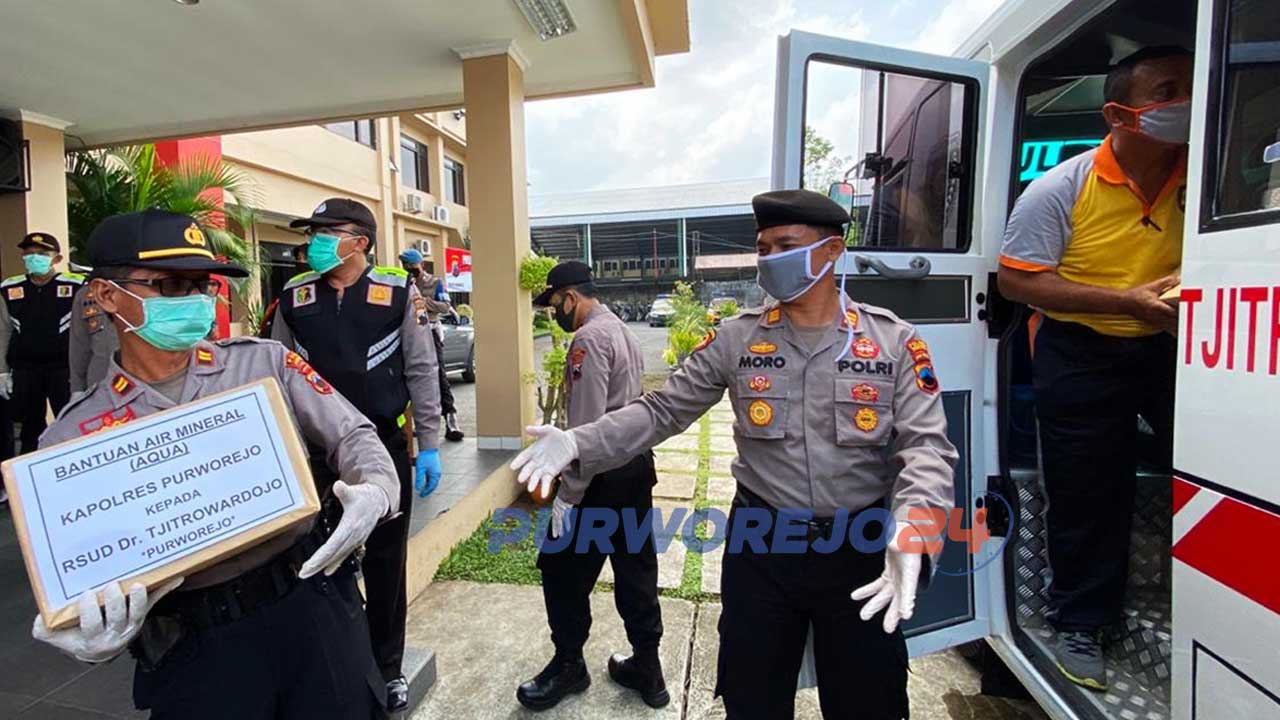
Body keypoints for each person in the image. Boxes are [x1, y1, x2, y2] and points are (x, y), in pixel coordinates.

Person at [512, 190, 956, 720]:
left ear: (833, 251)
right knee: (752, 698)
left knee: (869, 701)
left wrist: (916, 528)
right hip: (762, 548)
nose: (769, 259)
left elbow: (926, 446)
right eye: (763, 247)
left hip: (858, 550)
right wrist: (578, 441)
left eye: (785, 245)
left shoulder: (892, 342)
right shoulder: (737, 338)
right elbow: (660, 411)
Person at [31, 209, 399, 719]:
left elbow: (354, 434)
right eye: (172, 285)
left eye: (203, 284)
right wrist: (83, 627)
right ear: (108, 296)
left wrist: (377, 489)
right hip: (198, 647)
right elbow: (78, 566)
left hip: (311, 608)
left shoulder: (263, 363)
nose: (196, 300)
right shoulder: (73, 437)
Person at [997, 46, 1191, 691]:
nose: (1188, 101)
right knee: (1087, 489)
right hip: (1081, 351)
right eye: (1170, 90)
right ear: (1120, 113)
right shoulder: (1060, 188)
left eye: (1196, 85)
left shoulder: (1210, 179)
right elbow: (1020, 283)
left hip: (1177, 347)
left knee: (1211, 475)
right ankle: (1081, 623)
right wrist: (1125, 302)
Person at [271, 198, 442, 712]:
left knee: (387, 559)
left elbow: (421, 368)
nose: (316, 242)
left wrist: (429, 443)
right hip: (314, 451)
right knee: (311, 555)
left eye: (329, 232)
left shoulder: (395, 294)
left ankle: (387, 666)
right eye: (313, 233)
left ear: (361, 241)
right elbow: (275, 375)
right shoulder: (295, 297)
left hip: (382, 449)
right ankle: (328, 656)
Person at [515, 261, 665, 711]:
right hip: (636, 469)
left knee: (561, 573)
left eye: (553, 306)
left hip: (600, 479)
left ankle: (569, 666)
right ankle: (648, 668)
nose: (552, 316)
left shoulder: (588, 339)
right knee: (636, 572)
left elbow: (585, 428)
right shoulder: (621, 329)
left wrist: (568, 494)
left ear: (571, 297)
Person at [2, 232, 85, 453]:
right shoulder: (9, 289)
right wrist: (2, 372)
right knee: (28, 429)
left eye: (42, 253)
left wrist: (85, 374)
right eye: (29, 253)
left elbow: (87, 332)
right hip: (25, 371)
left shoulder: (77, 285)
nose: (34, 257)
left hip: (63, 370)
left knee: (70, 424)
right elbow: (3, 332)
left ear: (56, 259)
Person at [398, 247, 464, 443]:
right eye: (405, 265)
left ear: (422, 265)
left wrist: (420, 301)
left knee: (439, 376)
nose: (409, 268)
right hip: (406, 332)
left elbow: (445, 306)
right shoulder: (400, 282)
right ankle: (409, 426)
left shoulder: (435, 283)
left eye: (412, 265)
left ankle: (451, 419)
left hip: (430, 331)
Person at [69, 281, 120, 393]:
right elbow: (79, 348)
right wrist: (77, 390)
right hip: (100, 384)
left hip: (147, 386)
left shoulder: (150, 289)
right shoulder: (85, 294)